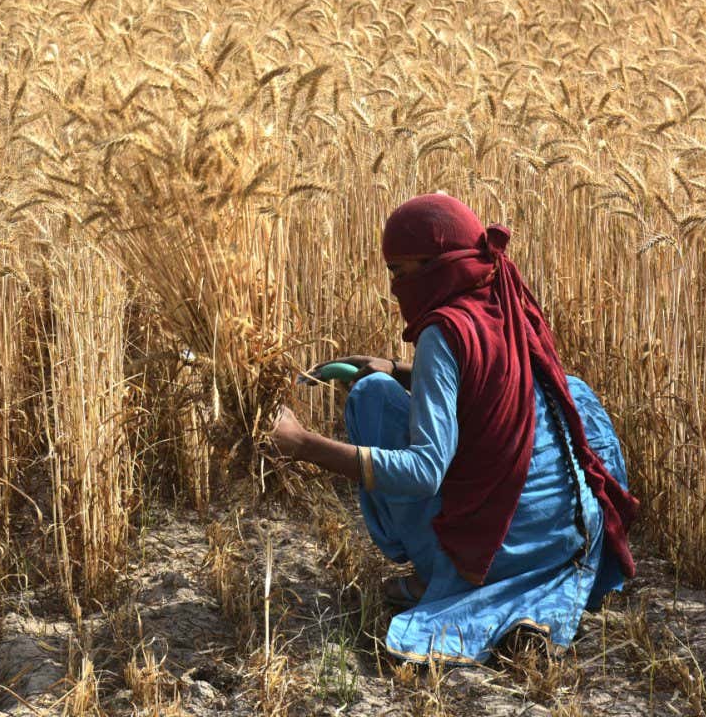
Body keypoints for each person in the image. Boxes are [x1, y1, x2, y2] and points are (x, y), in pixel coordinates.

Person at [269, 193, 638, 664]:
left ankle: (439, 574)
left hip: (499, 548)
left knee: (370, 397)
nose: (396, 289)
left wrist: (301, 444)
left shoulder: (443, 331)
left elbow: (423, 472)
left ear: (436, 265)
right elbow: (491, 382)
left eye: (401, 273)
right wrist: (401, 369)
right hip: (565, 542)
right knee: (574, 389)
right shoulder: (504, 298)